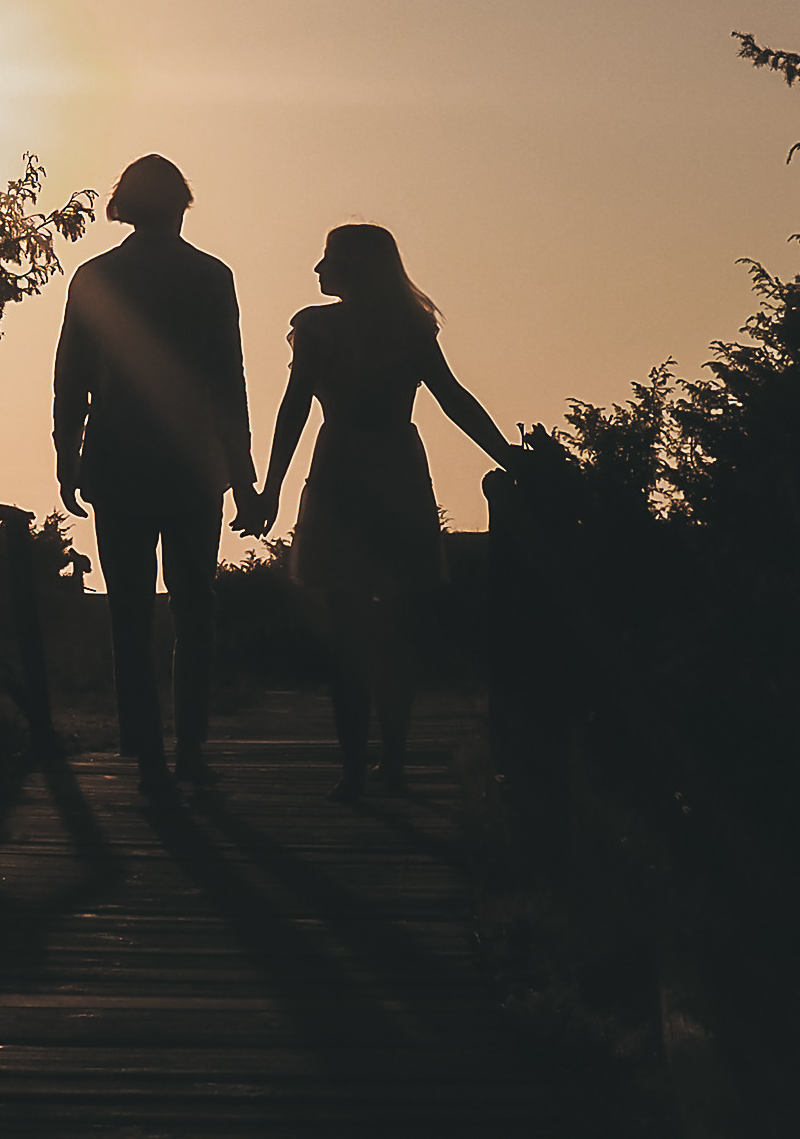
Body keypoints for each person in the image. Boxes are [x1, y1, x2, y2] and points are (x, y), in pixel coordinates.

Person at [251, 224, 513, 799]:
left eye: (328, 259)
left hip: (343, 466)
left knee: (349, 631)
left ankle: (357, 768)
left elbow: (296, 408)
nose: (319, 271)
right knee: (395, 631)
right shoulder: (407, 327)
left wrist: (271, 489)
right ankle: (386, 763)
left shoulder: (319, 329)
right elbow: (452, 397)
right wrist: (509, 457)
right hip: (394, 465)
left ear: (354, 267)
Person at [54, 154, 257, 794]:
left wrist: (67, 451)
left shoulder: (96, 276)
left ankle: (147, 755)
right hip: (193, 463)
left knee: (130, 612)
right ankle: (191, 746)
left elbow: (73, 376)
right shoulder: (210, 276)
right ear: (180, 204)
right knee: (197, 607)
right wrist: (243, 471)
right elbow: (229, 378)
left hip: (118, 460)